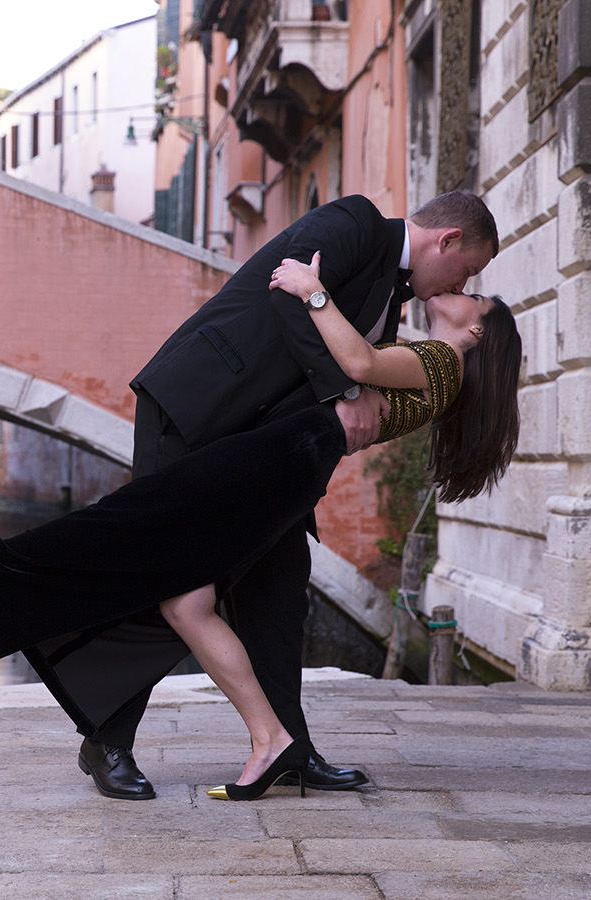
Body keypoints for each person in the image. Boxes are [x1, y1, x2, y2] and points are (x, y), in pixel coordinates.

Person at [0, 253, 522, 799]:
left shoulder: (444, 362)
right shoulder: (442, 366)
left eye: (473, 296)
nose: (460, 290)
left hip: (283, 455)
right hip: (293, 460)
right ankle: (271, 740)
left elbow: (356, 361)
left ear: (479, 331)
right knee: (188, 603)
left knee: (125, 523)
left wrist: (312, 290)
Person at [81, 190, 500, 800]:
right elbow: (288, 292)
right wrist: (343, 395)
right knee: (163, 579)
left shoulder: (400, 297)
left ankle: (288, 750)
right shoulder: (354, 221)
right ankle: (106, 741)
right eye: (466, 270)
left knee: (278, 593)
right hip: (197, 410)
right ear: (449, 241)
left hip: (264, 450)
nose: (460, 282)